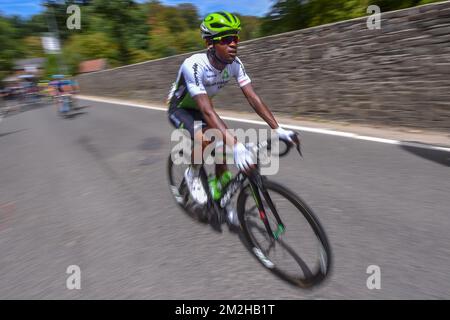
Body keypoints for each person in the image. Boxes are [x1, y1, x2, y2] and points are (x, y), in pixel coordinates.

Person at [167, 11, 297, 226]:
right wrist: (237, 147)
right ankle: (192, 172)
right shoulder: (194, 65)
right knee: (208, 139)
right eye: (226, 39)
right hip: (180, 108)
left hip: (202, 107)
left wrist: (278, 128)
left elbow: (252, 97)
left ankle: (220, 198)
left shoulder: (235, 64)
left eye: (236, 37)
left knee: (222, 149)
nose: (233, 44)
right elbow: (208, 111)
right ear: (210, 43)